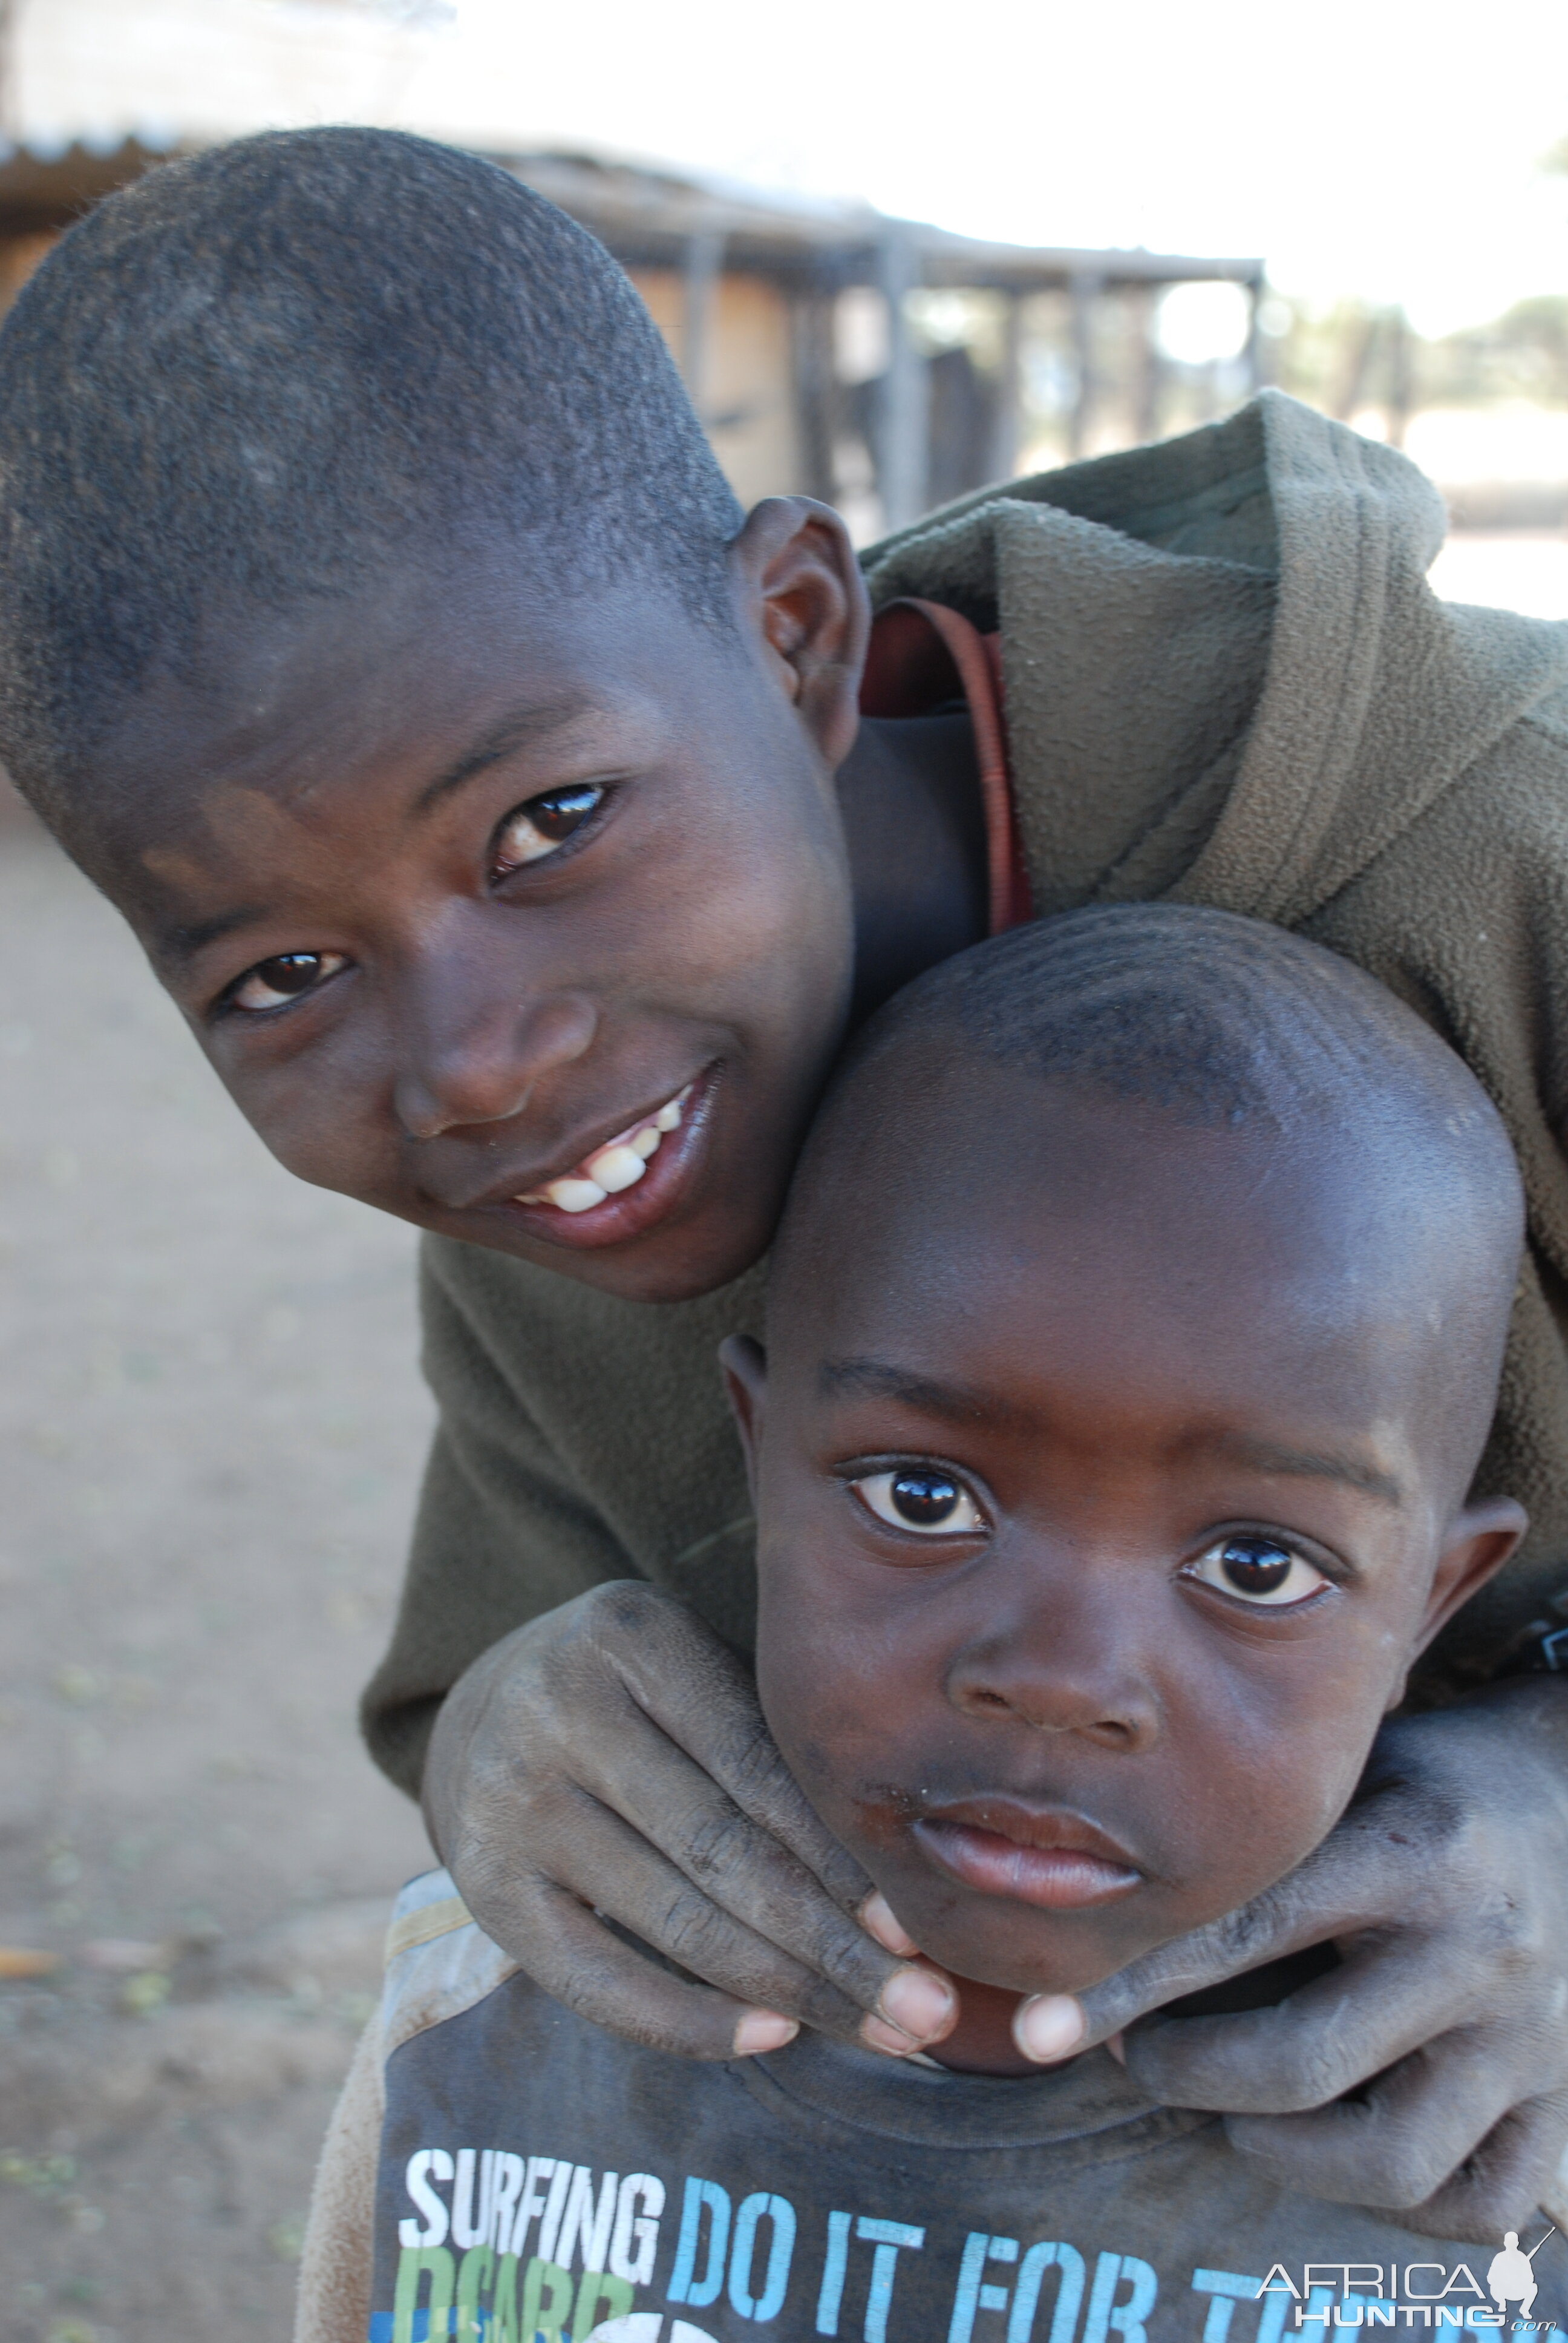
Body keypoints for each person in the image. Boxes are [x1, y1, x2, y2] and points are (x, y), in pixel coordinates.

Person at [4, 125, 1568, 2221]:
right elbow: (499, 1665)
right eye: (284, 971)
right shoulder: (581, 1180)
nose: (476, 1060)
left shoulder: (1503, 856)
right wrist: (511, 1745)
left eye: (550, 820)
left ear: (799, 633)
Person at [296, 909, 1563, 2343]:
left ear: (1435, 1603)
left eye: (1259, 1565)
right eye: (924, 1492)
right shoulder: (484, 2028)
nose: (1059, 1680)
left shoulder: (1518, 2154)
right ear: (758, 1455)